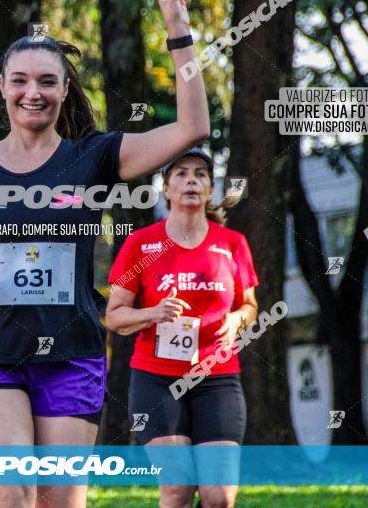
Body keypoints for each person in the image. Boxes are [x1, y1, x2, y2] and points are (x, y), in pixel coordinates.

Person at [0, 0, 210, 508]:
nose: (34, 93)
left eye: (48, 81)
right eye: (21, 80)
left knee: (58, 502)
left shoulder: (93, 157)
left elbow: (191, 128)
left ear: (65, 88)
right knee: (9, 492)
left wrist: (178, 31)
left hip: (71, 353)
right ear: (1, 85)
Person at [106, 148, 259, 508]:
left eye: (201, 175)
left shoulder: (232, 244)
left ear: (209, 190)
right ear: (166, 188)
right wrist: (153, 313)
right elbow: (114, 316)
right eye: (181, 173)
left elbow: (250, 306)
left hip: (217, 376)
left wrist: (238, 319)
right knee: (177, 490)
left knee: (218, 496)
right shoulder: (141, 244)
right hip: (157, 379)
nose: (192, 180)